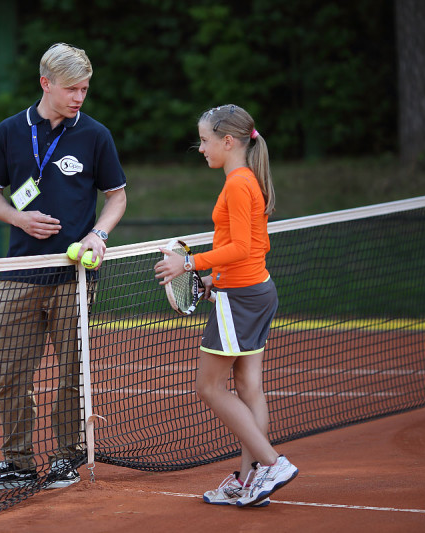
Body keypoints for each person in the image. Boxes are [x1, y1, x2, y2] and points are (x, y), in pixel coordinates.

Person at [0, 43, 127, 491]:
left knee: (72, 374)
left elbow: (116, 197)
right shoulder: (9, 131)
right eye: (72, 88)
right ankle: (18, 463)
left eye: (85, 89)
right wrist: (18, 217)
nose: (80, 96)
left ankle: (66, 459)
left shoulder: (96, 135)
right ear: (45, 84)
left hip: (73, 277)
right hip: (18, 274)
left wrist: (99, 234)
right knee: (11, 374)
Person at [154, 104, 297, 508]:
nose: (200, 148)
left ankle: (271, 464)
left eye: (204, 140)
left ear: (228, 141)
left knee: (209, 386)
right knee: (249, 387)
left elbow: (242, 247)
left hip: (241, 299)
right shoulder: (248, 180)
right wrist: (211, 279)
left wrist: (189, 263)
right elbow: (257, 249)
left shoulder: (237, 183)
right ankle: (249, 479)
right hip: (254, 291)